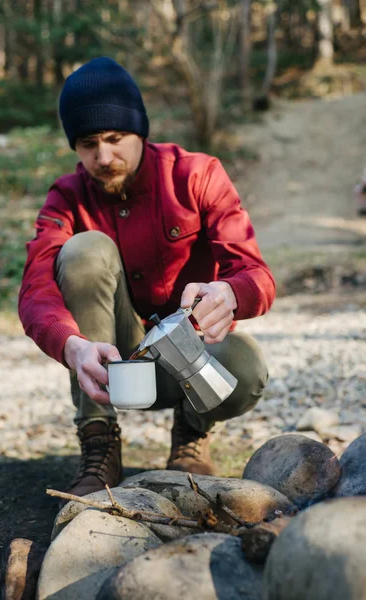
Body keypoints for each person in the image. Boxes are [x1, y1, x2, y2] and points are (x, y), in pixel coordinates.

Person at [18, 56, 276, 499]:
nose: (103, 156)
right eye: (88, 143)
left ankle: (192, 434)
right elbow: (35, 286)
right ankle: (99, 441)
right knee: (83, 248)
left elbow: (255, 272)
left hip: (196, 352)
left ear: (140, 130)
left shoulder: (196, 174)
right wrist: (70, 345)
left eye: (116, 138)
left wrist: (231, 293)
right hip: (116, 356)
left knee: (248, 368)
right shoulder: (66, 196)